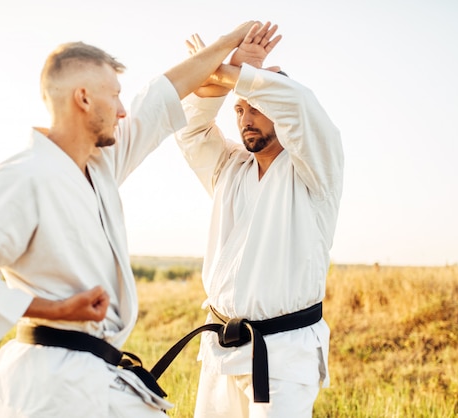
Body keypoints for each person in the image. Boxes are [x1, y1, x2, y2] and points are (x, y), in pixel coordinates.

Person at [0, 21, 271, 418]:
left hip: (94, 376)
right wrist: (56, 309)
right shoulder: (24, 176)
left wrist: (229, 48)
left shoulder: (101, 163)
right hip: (45, 381)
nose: (124, 110)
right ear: (84, 99)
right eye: (115, 96)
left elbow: (160, 96)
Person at [166, 24, 344, 417]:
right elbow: (191, 132)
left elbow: (300, 106)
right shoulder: (230, 168)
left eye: (257, 107)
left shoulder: (315, 170)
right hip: (221, 350)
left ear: (278, 108)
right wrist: (217, 80)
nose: (246, 118)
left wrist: (234, 73)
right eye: (240, 109)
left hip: (282, 357)